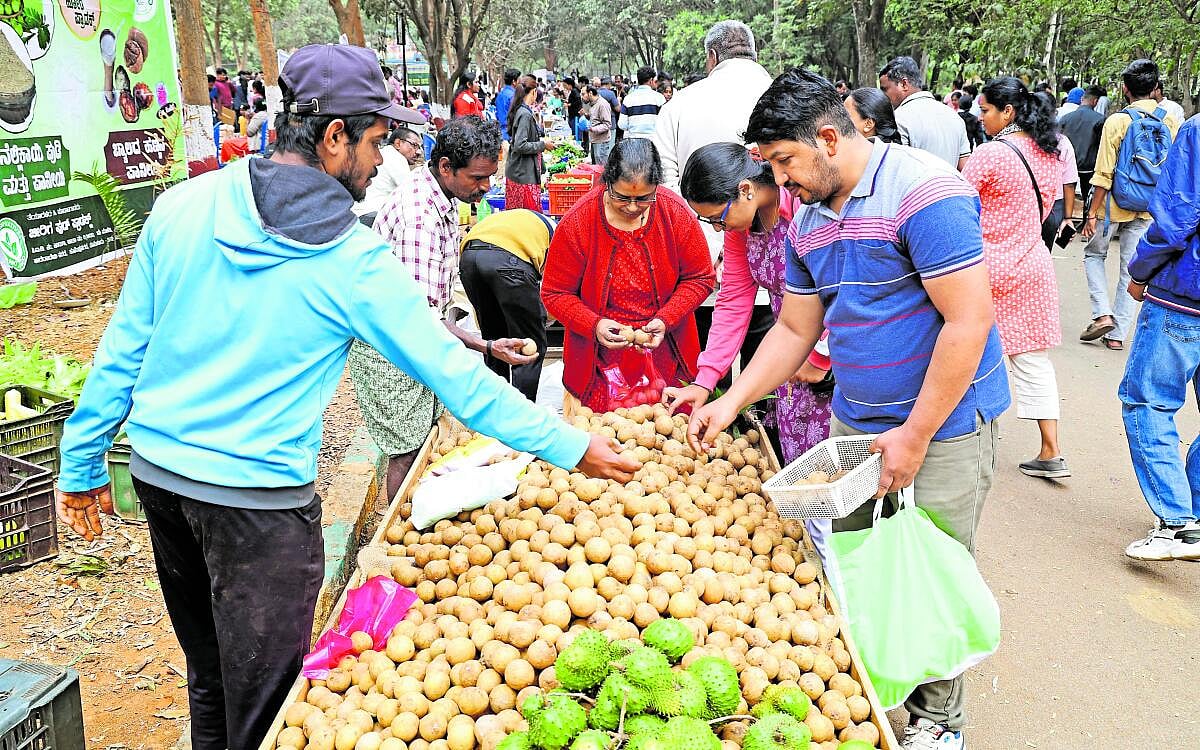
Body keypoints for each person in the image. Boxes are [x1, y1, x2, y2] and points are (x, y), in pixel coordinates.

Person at [52, 45, 636, 750]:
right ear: (333, 137)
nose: (382, 159)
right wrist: (571, 445)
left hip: (162, 480)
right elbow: (458, 383)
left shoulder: (183, 207)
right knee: (267, 703)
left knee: (209, 675)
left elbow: (121, 354)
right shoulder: (351, 261)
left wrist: (81, 465)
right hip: (256, 506)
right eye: (376, 141)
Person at [690, 68, 1009, 750]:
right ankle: (881, 686)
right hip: (857, 424)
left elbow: (968, 321)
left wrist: (917, 435)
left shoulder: (925, 191)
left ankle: (940, 721)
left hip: (944, 423)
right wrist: (731, 400)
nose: (781, 181)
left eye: (784, 162)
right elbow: (795, 330)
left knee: (933, 564)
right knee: (864, 559)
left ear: (828, 138)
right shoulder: (808, 222)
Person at [353, 116, 536, 500]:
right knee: (407, 450)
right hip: (391, 348)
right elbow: (419, 317)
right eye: (477, 178)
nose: (486, 187)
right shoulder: (419, 217)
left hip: (412, 339)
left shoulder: (442, 196)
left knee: (424, 439)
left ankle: (414, 517)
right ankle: (397, 531)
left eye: (490, 177)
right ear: (446, 167)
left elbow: (435, 300)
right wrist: (485, 347)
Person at [673, 142, 835, 552]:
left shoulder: (802, 208)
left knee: (835, 472)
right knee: (797, 455)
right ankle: (811, 551)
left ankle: (840, 559)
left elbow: (841, 284)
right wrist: (705, 379)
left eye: (716, 218)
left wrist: (820, 355)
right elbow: (733, 302)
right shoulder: (742, 230)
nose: (716, 229)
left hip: (834, 348)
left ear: (745, 190)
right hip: (787, 350)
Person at [542, 139, 715, 411]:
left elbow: (701, 277)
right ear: (607, 182)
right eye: (622, 197)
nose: (633, 207)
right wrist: (594, 325)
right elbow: (554, 292)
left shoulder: (674, 212)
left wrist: (666, 318)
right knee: (605, 435)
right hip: (598, 361)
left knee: (670, 429)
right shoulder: (579, 221)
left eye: (644, 198)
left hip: (665, 351)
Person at [965, 77, 1070, 479]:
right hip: (1032, 264)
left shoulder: (991, 155)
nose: (980, 116)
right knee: (1032, 360)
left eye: (986, 109)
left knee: (967, 348)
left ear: (1007, 112)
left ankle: (966, 438)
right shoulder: (1050, 151)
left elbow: (956, 201)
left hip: (985, 267)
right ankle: (1051, 449)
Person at [1120, 114, 1200, 561]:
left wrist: (1139, 270)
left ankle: (1178, 524)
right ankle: (1192, 514)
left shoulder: (1197, 132)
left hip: (1184, 295)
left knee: (1149, 401)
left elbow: (1177, 218)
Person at [1080, 59, 1181, 350]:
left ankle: (1102, 314)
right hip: (1148, 207)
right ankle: (1117, 335)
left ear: (1125, 89)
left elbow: (1103, 174)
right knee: (1130, 268)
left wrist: (1092, 214)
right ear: (1155, 89)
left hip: (1113, 205)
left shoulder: (1118, 121)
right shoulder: (1170, 121)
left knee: (1094, 255)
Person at [652, 20, 773, 191]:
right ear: (755, 56)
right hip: (782, 216)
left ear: (712, 56)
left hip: (694, 214)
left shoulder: (678, 104)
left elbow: (665, 179)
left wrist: (701, 216)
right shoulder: (785, 98)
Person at [460, 209, 556, 401]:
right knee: (529, 344)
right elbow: (553, 288)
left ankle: (496, 406)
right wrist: (542, 320)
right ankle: (521, 414)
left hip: (469, 258)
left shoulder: (518, 221)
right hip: (510, 261)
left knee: (493, 342)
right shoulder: (556, 235)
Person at [879, 55, 971, 169]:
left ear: (903, 84)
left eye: (885, 89)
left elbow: (895, 170)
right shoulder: (954, 117)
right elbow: (965, 167)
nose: (883, 96)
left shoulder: (899, 119)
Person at [352, 125, 421, 225]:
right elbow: (411, 192)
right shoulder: (396, 158)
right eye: (414, 145)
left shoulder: (385, 153)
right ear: (398, 143)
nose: (418, 152)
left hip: (361, 213)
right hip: (372, 215)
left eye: (419, 147)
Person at [505, 77, 552, 211]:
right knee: (528, 218)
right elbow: (520, 145)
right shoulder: (524, 114)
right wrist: (543, 145)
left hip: (520, 172)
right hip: (522, 175)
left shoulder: (521, 110)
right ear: (534, 92)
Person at [1059, 85, 1105, 205]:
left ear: (1082, 99)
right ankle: (1086, 221)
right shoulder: (1100, 119)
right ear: (1095, 101)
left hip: (1067, 166)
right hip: (1089, 168)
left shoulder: (1065, 118)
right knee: (1088, 199)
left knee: (1066, 197)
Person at [619, 66, 666, 139]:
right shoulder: (659, 98)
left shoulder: (628, 99)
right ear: (651, 80)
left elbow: (622, 125)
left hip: (633, 142)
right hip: (654, 142)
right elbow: (665, 123)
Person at [583, 85, 614, 166]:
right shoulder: (593, 104)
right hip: (594, 140)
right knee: (595, 166)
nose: (582, 97)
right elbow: (596, 119)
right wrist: (586, 116)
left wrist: (593, 129)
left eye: (583, 94)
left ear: (590, 93)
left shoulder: (602, 104)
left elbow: (607, 124)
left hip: (601, 142)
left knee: (601, 168)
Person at [494, 68, 520, 141]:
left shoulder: (500, 94)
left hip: (502, 132)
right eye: (519, 80)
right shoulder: (513, 96)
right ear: (514, 82)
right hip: (511, 133)